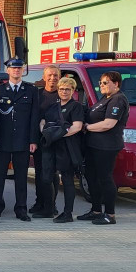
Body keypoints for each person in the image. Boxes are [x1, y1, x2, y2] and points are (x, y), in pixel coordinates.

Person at [0, 58, 39, 223]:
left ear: (23, 70)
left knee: (21, 177)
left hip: (23, 141)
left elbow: (34, 118)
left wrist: (33, 140)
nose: (16, 71)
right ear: (7, 71)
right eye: (13, 68)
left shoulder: (31, 91)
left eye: (19, 68)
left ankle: (21, 209)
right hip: (2, 140)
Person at [79, 71, 129, 225]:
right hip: (94, 146)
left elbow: (108, 124)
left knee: (105, 179)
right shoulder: (105, 98)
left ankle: (110, 214)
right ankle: (95, 210)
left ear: (116, 84)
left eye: (106, 82)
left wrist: (87, 126)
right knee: (92, 177)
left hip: (106, 147)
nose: (102, 85)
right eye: (100, 82)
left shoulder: (118, 99)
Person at [38, 77, 84, 223]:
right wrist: (45, 133)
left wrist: (58, 135)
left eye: (67, 89)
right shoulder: (52, 107)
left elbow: (77, 126)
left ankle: (67, 213)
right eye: (62, 89)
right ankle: (49, 209)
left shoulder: (76, 106)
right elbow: (43, 122)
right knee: (47, 178)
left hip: (67, 147)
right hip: (50, 146)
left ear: (73, 91)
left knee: (67, 179)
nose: (64, 92)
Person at [31, 64, 62, 216]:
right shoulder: (37, 95)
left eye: (55, 75)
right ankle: (40, 202)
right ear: (43, 78)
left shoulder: (62, 95)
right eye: (49, 75)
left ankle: (51, 205)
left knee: (51, 174)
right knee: (39, 173)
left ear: (60, 77)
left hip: (55, 141)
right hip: (39, 140)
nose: (52, 78)